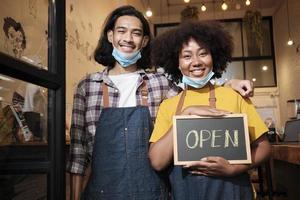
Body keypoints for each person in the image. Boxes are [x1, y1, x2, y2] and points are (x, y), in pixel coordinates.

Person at [67, 5, 254, 200]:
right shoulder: (88, 86)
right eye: (121, 31)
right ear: (110, 35)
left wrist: (229, 83)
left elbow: (195, 89)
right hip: (102, 193)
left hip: (153, 192)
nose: (128, 39)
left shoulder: (160, 82)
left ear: (145, 40)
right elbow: (78, 155)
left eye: (136, 33)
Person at [148, 21, 271, 200]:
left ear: (214, 57)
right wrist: (184, 115)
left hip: (234, 191)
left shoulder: (234, 96)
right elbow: (158, 162)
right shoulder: (168, 106)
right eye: (187, 56)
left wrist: (233, 169)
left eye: (203, 53)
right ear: (177, 63)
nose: (196, 62)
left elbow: (264, 147)